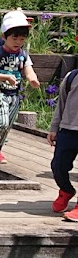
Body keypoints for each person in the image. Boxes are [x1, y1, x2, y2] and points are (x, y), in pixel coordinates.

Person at [0, 10, 40, 165]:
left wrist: (33, 79)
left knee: (8, 125)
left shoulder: (23, 55)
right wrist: (6, 77)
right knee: (1, 122)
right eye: (14, 38)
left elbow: (29, 70)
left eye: (21, 39)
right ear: (4, 36)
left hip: (14, 94)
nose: (18, 42)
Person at [48, 63, 78, 221]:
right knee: (58, 165)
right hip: (68, 129)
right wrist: (54, 128)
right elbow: (61, 105)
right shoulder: (71, 77)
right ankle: (66, 190)